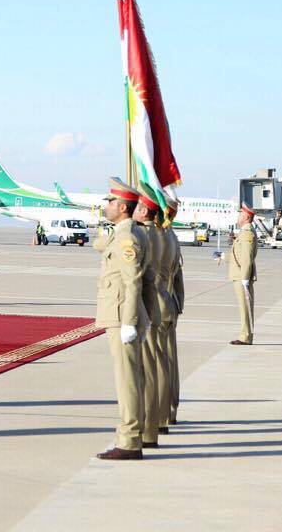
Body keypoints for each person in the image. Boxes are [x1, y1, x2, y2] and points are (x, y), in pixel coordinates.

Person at [94, 177, 148, 461]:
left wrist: (129, 321)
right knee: (130, 377)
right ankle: (134, 435)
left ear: (123, 207)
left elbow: (133, 281)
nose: (107, 206)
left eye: (111, 202)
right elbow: (98, 245)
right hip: (119, 313)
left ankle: (129, 441)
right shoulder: (123, 233)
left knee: (126, 379)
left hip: (120, 314)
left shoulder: (127, 237)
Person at [132, 183, 170, 448]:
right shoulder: (163, 235)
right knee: (158, 365)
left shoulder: (146, 236)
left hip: (149, 304)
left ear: (145, 210)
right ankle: (159, 419)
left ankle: (148, 428)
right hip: (161, 302)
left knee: (147, 369)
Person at [217, 204, 258, 345]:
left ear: (246, 217)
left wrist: (245, 278)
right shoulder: (244, 232)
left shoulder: (247, 233)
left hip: (242, 276)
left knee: (245, 306)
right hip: (240, 274)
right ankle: (245, 334)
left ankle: (245, 336)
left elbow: (246, 258)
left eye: (240, 214)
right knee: (243, 306)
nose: (238, 216)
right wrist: (222, 256)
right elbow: (237, 256)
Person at [160, 195, 185, 426]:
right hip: (170, 304)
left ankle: (162, 414)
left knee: (158, 364)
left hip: (158, 308)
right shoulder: (171, 236)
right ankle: (169, 410)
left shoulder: (160, 237)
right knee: (169, 362)